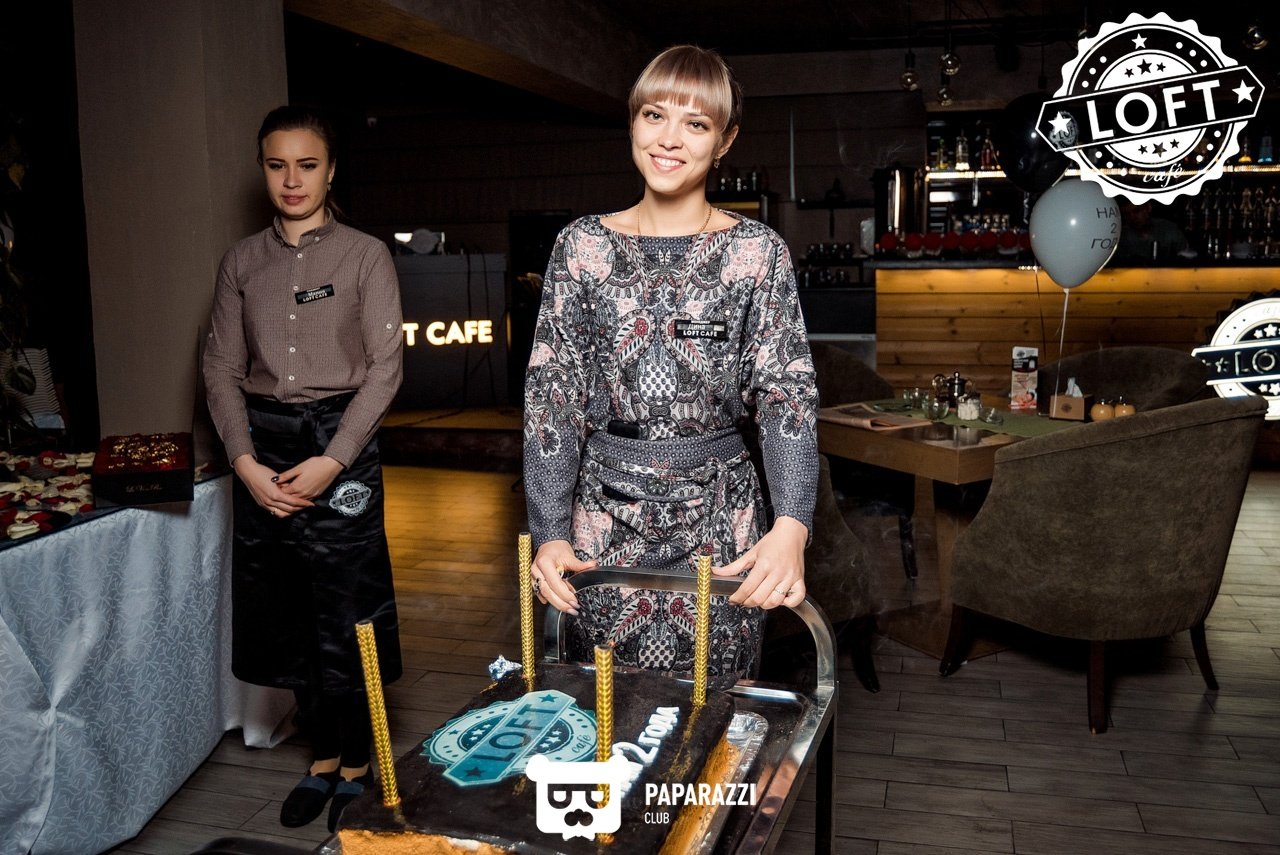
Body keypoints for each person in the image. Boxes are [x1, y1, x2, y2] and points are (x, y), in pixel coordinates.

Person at [523, 45, 818, 680]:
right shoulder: (580, 246)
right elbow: (553, 396)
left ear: (725, 140)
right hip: (600, 525)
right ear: (633, 122)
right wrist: (549, 531)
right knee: (603, 710)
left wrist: (792, 524)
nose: (669, 139)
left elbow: (786, 395)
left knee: (718, 713)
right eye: (654, 115)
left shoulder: (758, 252)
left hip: (723, 525)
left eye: (696, 123)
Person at [202, 106, 404, 833]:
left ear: (331, 170)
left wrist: (334, 459)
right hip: (266, 446)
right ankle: (322, 757)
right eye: (277, 164)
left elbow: (386, 369)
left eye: (308, 164)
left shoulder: (365, 255)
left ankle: (359, 762)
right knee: (289, 610)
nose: (292, 179)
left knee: (350, 609)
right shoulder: (241, 263)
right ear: (263, 169)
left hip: (340, 441)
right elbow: (220, 369)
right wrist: (245, 463)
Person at [1116, 199, 1192, 262]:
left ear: (1148, 208)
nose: (1132, 217)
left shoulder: (1168, 229)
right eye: (1127, 214)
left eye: (1137, 211)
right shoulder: (1121, 236)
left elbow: (1187, 255)